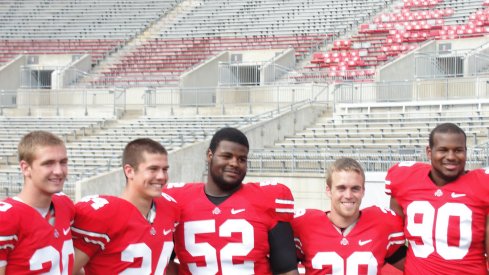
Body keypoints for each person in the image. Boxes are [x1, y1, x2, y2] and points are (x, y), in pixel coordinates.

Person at [164, 127, 299, 275]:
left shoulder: (268, 198)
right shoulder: (176, 200)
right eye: (227, 156)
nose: (234, 163)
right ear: (210, 155)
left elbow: (286, 269)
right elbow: (160, 263)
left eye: (242, 159)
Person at [385, 122, 489, 274]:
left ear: (466, 151)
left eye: (458, 150)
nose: (451, 156)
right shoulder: (404, 180)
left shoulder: (483, 185)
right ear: (429, 151)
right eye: (443, 150)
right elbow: (392, 240)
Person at [71, 138, 179, 274]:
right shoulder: (105, 214)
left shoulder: (169, 208)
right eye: (153, 169)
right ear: (129, 171)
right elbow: (67, 270)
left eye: (165, 169)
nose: (161, 176)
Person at [292, 157, 406, 274]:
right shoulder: (304, 226)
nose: (348, 195)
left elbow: (416, 266)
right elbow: (281, 268)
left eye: (355, 189)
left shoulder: (382, 225)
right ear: (328, 190)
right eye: (341, 188)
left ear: (363, 191)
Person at [0, 130, 74, 274]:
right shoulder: (5, 218)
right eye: (48, 163)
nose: (59, 171)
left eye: (63, 162)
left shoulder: (65, 204)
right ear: (26, 168)